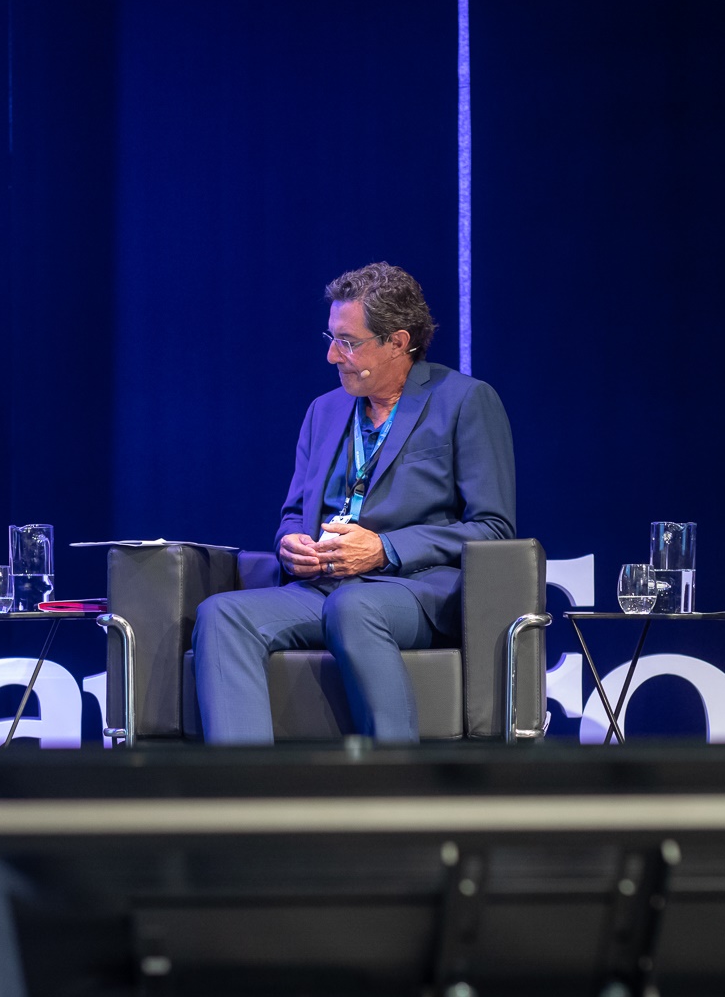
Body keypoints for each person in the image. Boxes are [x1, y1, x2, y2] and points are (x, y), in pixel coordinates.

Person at [193, 263, 516, 743]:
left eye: (348, 341)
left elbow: (493, 528)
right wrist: (291, 545)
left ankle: (396, 789)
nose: (331, 355)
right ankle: (249, 798)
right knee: (221, 614)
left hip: (416, 590)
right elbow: (289, 515)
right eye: (332, 337)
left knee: (356, 605)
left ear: (398, 341)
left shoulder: (465, 400)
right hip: (324, 587)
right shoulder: (323, 411)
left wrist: (385, 548)